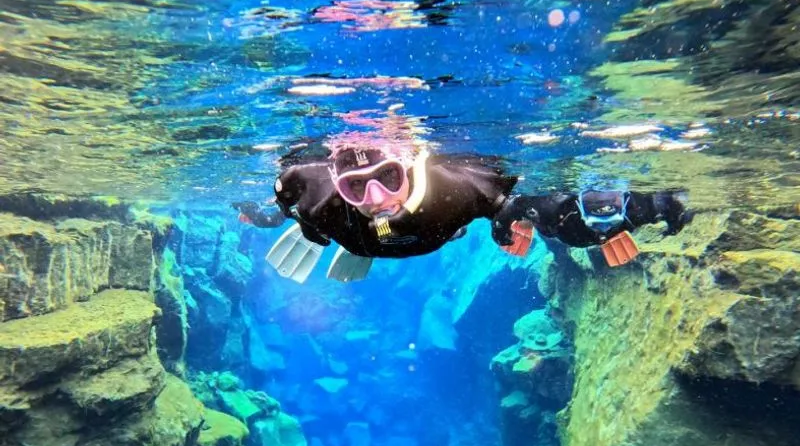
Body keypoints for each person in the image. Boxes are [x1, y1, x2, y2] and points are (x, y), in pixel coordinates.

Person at [234, 146, 692, 281]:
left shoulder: (457, 185)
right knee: (284, 219)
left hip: (443, 228)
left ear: (410, 164)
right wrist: (261, 214)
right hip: (354, 243)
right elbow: (285, 208)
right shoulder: (317, 199)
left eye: (388, 177)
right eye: (356, 186)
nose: (375, 197)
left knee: (568, 224)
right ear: (338, 186)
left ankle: (647, 208)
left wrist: (506, 227)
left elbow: (513, 203)